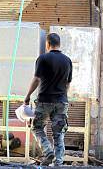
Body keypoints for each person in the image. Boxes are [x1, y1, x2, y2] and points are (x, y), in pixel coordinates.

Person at [24, 33, 73, 166]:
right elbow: (68, 83)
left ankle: (47, 150)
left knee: (36, 127)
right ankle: (58, 162)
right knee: (59, 133)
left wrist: (27, 96)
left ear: (47, 44)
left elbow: (36, 79)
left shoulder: (43, 58)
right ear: (59, 44)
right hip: (62, 101)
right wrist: (63, 97)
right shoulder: (67, 60)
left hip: (45, 100)